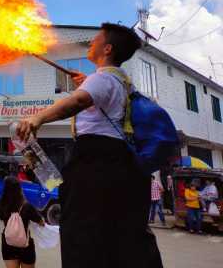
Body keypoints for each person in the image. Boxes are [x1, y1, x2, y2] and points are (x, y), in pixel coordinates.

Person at [17, 23, 162, 268]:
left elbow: (78, 101)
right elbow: (97, 100)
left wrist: (37, 118)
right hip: (122, 164)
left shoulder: (102, 79)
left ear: (107, 49)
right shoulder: (122, 81)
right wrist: (87, 83)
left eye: (95, 40)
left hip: (96, 162)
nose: (90, 43)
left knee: (82, 233)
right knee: (122, 234)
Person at [0, 176, 44, 268]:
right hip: (25, 245)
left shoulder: (3, 204)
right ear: (19, 189)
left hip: (8, 244)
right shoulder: (26, 206)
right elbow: (41, 222)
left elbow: (2, 217)